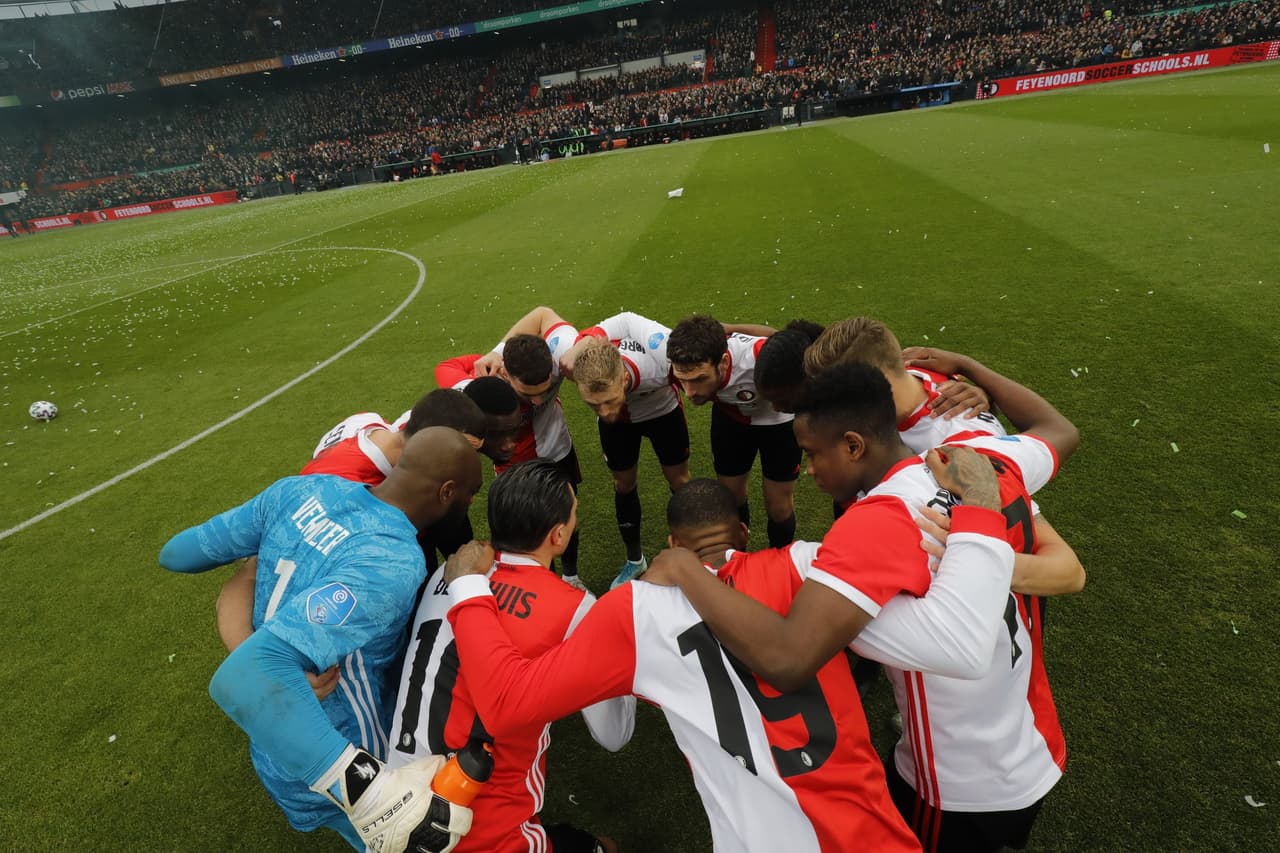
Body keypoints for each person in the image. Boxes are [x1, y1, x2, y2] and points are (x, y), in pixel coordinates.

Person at [443, 474, 1018, 852]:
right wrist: (983, 512)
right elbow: (961, 644)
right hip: (871, 838)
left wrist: (469, 589)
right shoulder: (813, 567)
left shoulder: (632, 610)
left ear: (670, 540)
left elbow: (508, 702)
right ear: (742, 530)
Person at [647, 361, 1081, 853]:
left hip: (958, 775)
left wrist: (684, 569)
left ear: (854, 445)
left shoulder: (873, 524)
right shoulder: (980, 457)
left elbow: (789, 659)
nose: (808, 470)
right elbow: (1058, 431)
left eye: (811, 454)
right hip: (1029, 737)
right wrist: (967, 367)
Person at [159, 427, 483, 852]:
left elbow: (178, 553)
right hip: (346, 747)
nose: (471, 504)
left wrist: (273, 552)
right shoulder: (391, 561)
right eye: (471, 495)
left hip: (274, 742)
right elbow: (245, 676)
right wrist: (370, 792)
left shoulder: (298, 491)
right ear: (446, 492)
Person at [387, 460, 635, 853]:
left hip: (396, 801)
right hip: (475, 826)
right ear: (558, 535)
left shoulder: (449, 574)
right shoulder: (575, 608)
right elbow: (614, 734)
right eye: (574, 515)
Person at [439, 306, 588, 589]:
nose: (537, 401)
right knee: (532, 532)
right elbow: (444, 369)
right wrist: (489, 356)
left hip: (557, 450)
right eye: (527, 394)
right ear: (506, 375)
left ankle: (571, 576)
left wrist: (498, 348)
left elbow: (543, 313)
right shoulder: (483, 384)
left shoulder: (559, 354)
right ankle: (548, 584)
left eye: (544, 391)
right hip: (514, 465)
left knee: (568, 518)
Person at [560, 313, 692, 587]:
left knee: (680, 481)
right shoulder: (574, 366)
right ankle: (635, 561)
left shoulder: (660, 364)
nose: (604, 412)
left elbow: (629, 319)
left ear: (622, 380)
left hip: (662, 414)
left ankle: (692, 553)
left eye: (608, 400)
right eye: (593, 405)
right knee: (623, 484)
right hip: (621, 428)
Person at [664, 313, 801, 548]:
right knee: (731, 499)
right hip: (731, 421)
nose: (689, 392)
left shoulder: (756, 356)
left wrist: (733, 327)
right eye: (683, 380)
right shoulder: (674, 360)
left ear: (724, 363)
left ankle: (780, 562)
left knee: (779, 506)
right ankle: (738, 562)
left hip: (778, 424)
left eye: (699, 379)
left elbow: (784, 338)